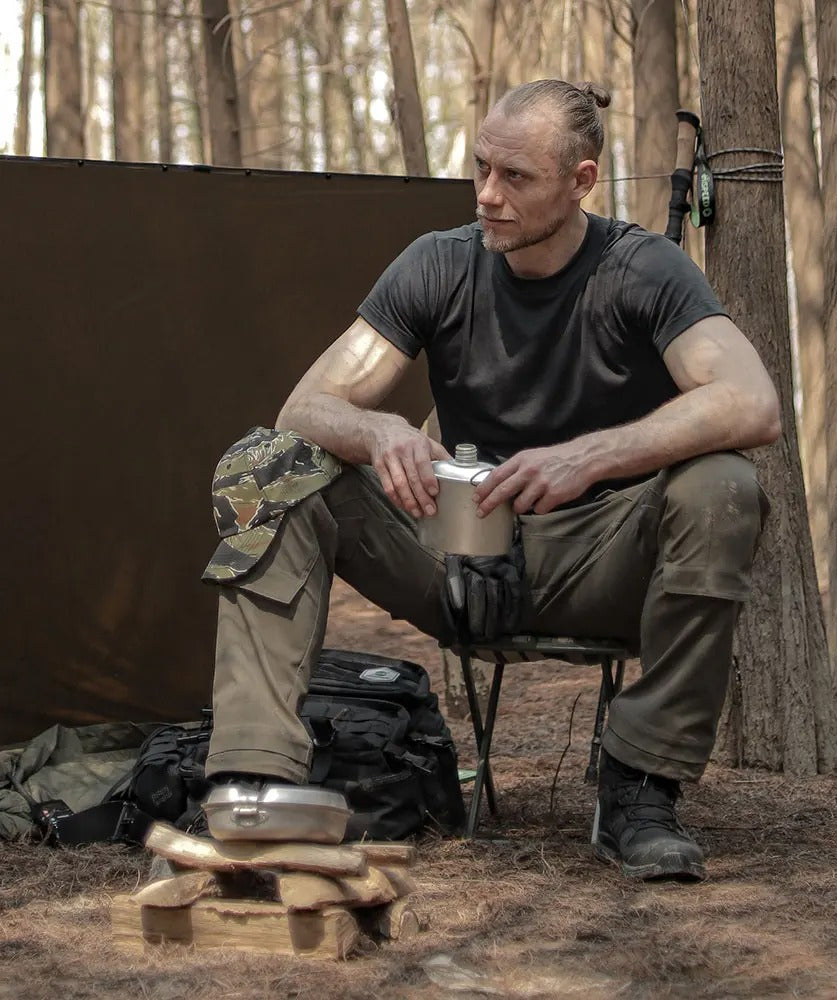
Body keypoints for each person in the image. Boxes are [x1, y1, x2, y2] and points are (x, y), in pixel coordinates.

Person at [201, 79, 780, 882]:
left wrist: (588, 457)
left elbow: (752, 401)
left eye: (516, 177)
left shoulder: (643, 268)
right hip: (455, 555)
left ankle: (642, 788)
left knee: (724, 487)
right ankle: (254, 780)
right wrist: (380, 430)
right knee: (270, 463)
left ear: (580, 181)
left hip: (600, 561)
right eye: (480, 168)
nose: (487, 195)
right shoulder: (438, 264)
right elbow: (302, 408)